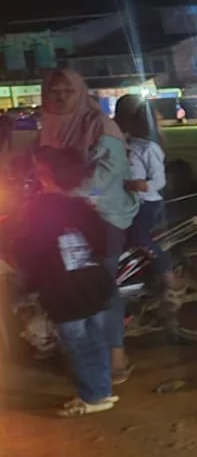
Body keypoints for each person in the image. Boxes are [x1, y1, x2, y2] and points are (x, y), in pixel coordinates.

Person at [38, 67, 137, 384]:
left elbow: (108, 173)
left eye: (67, 90)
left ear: (80, 92)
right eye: (54, 91)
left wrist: (66, 190)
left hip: (102, 214)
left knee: (99, 282)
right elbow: (40, 162)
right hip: (65, 213)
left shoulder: (99, 124)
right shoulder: (49, 124)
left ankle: (116, 351)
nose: (60, 96)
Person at [12, 147, 119, 415]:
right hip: (94, 286)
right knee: (95, 341)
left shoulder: (40, 209)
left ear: (46, 174)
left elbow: (30, 252)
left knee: (78, 346)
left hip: (64, 292)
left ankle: (92, 398)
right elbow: (104, 245)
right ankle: (102, 391)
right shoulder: (82, 206)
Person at [113, 96, 177, 306]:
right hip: (128, 203)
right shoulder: (125, 144)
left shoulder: (148, 148)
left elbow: (159, 179)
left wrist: (143, 185)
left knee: (140, 237)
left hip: (147, 203)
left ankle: (167, 276)